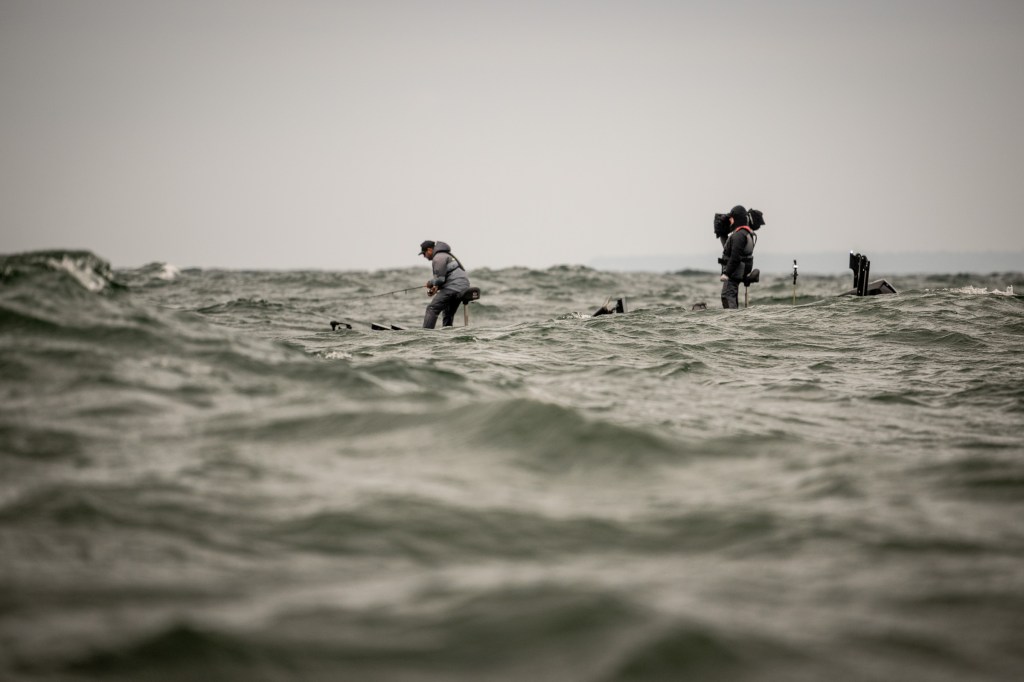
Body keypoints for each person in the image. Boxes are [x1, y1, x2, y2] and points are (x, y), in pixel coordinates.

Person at [418, 240, 471, 328]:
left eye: (424, 253)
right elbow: (447, 277)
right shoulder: (446, 255)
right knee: (447, 313)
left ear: (429, 250)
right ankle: (448, 333)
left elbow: (440, 279)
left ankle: (426, 333)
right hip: (462, 287)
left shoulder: (438, 257)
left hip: (453, 287)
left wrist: (430, 283)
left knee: (432, 308)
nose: (424, 256)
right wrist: (436, 288)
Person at [718, 205, 757, 309]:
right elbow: (729, 249)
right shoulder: (745, 233)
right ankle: (735, 316)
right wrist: (722, 233)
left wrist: (727, 273)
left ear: (736, 219)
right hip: (739, 271)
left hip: (734, 272)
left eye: (731, 218)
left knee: (727, 296)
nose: (730, 221)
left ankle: (731, 318)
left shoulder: (739, 235)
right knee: (731, 295)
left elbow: (735, 257)